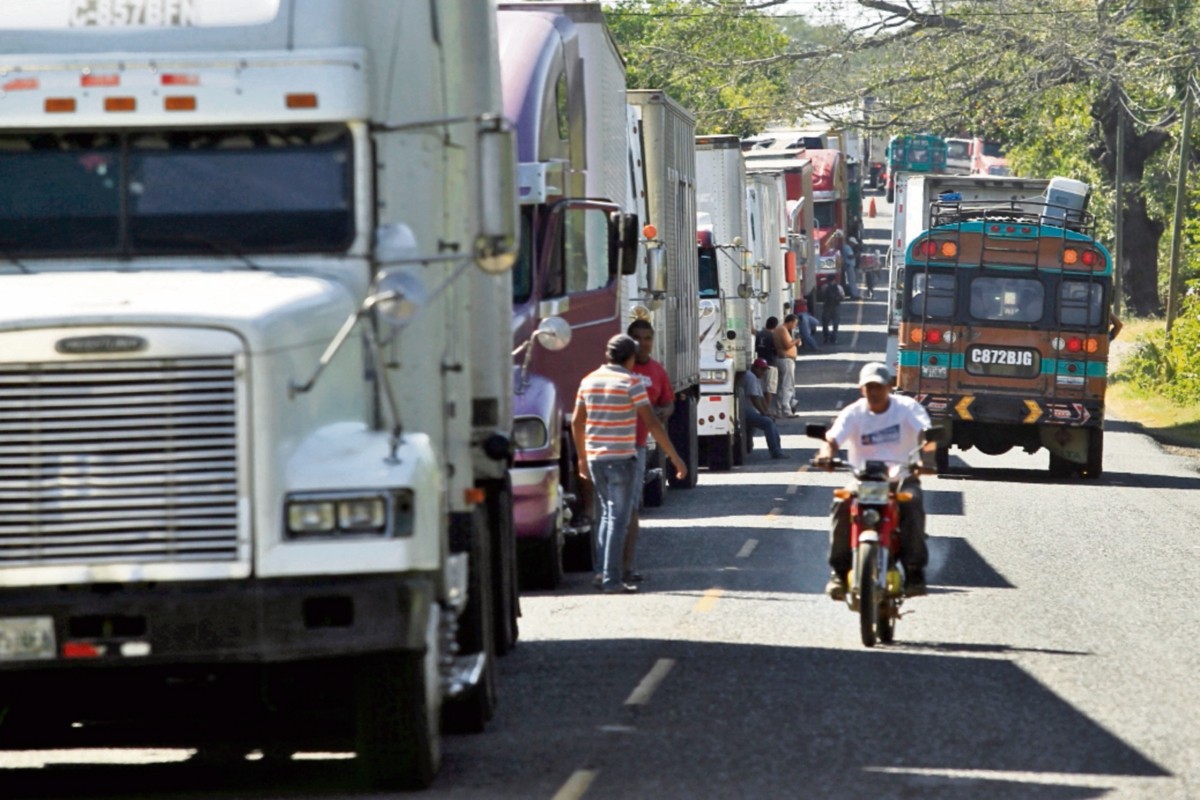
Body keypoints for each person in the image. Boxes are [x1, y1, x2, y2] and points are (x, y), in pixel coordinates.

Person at [573, 334, 687, 594]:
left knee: (606, 515)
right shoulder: (631, 382)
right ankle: (612, 580)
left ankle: (602, 571)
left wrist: (581, 456)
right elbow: (652, 423)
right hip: (621, 459)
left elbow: (577, 422)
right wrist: (674, 457)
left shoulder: (588, 380)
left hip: (595, 459)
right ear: (631, 358)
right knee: (618, 519)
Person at [815, 362, 936, 598]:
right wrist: (825, 456)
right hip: (863, 480)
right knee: (842, 503)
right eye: (868, 387)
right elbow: (832, 439)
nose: (873, 392)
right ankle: (839, 573)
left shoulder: (907, 408)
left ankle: (914, 573)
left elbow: (926, 436)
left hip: (902, 478)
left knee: (912, 504)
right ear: (862, 389)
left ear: (890, 387)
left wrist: (927, 460)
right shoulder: (854, 412)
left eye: (878, 387)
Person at [625, 319, 674, 584]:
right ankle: (608, 568)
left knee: (630, 509)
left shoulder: (657, 371)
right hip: (607, 448)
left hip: (638, 447)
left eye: (647, 338)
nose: (642, 343)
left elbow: (668, 404)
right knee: (613, 511)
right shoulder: (620, 371)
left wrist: (664, 412)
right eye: (637, 338)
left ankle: (625, 567)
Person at [742, 359, 788, 459]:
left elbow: (761, 397)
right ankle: (776, 451)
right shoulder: (751, 377)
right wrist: (764, 413)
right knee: (768, 423)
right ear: (755, 367)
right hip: (744, 409)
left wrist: (766, 411)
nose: (763, 372)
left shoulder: (754, 377)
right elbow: (754, 398)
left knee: (765, 419)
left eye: (764, 370)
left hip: (747, 409)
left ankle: (746, 446)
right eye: (761, 369)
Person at [772, 314, 801, 417]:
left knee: (781, 386)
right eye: (795, 323)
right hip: (786, 360)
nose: (794, 326)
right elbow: (787, 345)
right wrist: (796, 341)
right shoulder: (782, 329)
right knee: (787, 385)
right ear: (791, 321)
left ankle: (779, 410)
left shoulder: (780, 329)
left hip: (783, 360)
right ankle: (786, 410)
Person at [754, 316, 780, 412]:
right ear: (775, 326)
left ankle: (760, 408)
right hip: (771, 363)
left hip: (760, 364)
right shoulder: (773, 336)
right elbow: (777, 349)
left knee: (761, 389)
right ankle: (766, 409)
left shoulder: (760, 334)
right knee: (769, 389)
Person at [820, 280, 844, 344]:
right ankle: (834, 338)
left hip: (827, 307)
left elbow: (822, 295)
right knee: (835, 323)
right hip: (836, 306)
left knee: (825, 322)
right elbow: (842, 296)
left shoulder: (824, 286)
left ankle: (826, 336)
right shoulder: (839, 287)